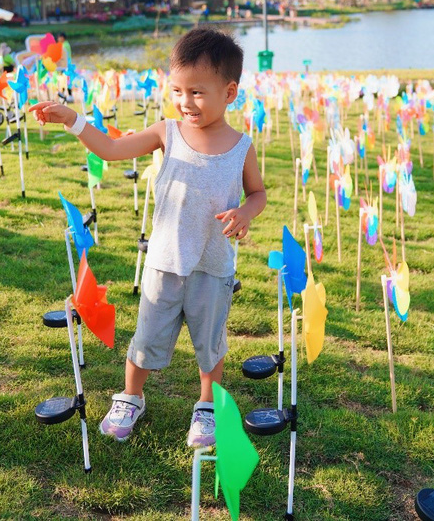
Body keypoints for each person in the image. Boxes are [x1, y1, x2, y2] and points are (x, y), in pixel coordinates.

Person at [28, 28, 267, 448]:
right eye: (176, 89)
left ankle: (207, 406)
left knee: (210, 344)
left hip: (212, 266)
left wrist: (246, 212)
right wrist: (74, 120)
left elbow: (258, 193)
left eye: (197, 92)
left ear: (229, 93)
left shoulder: (241, 145)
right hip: (163, 261)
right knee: (147, 336)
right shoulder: (166, 132)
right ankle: (130, 397)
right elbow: (110, 150)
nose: (184, 101)